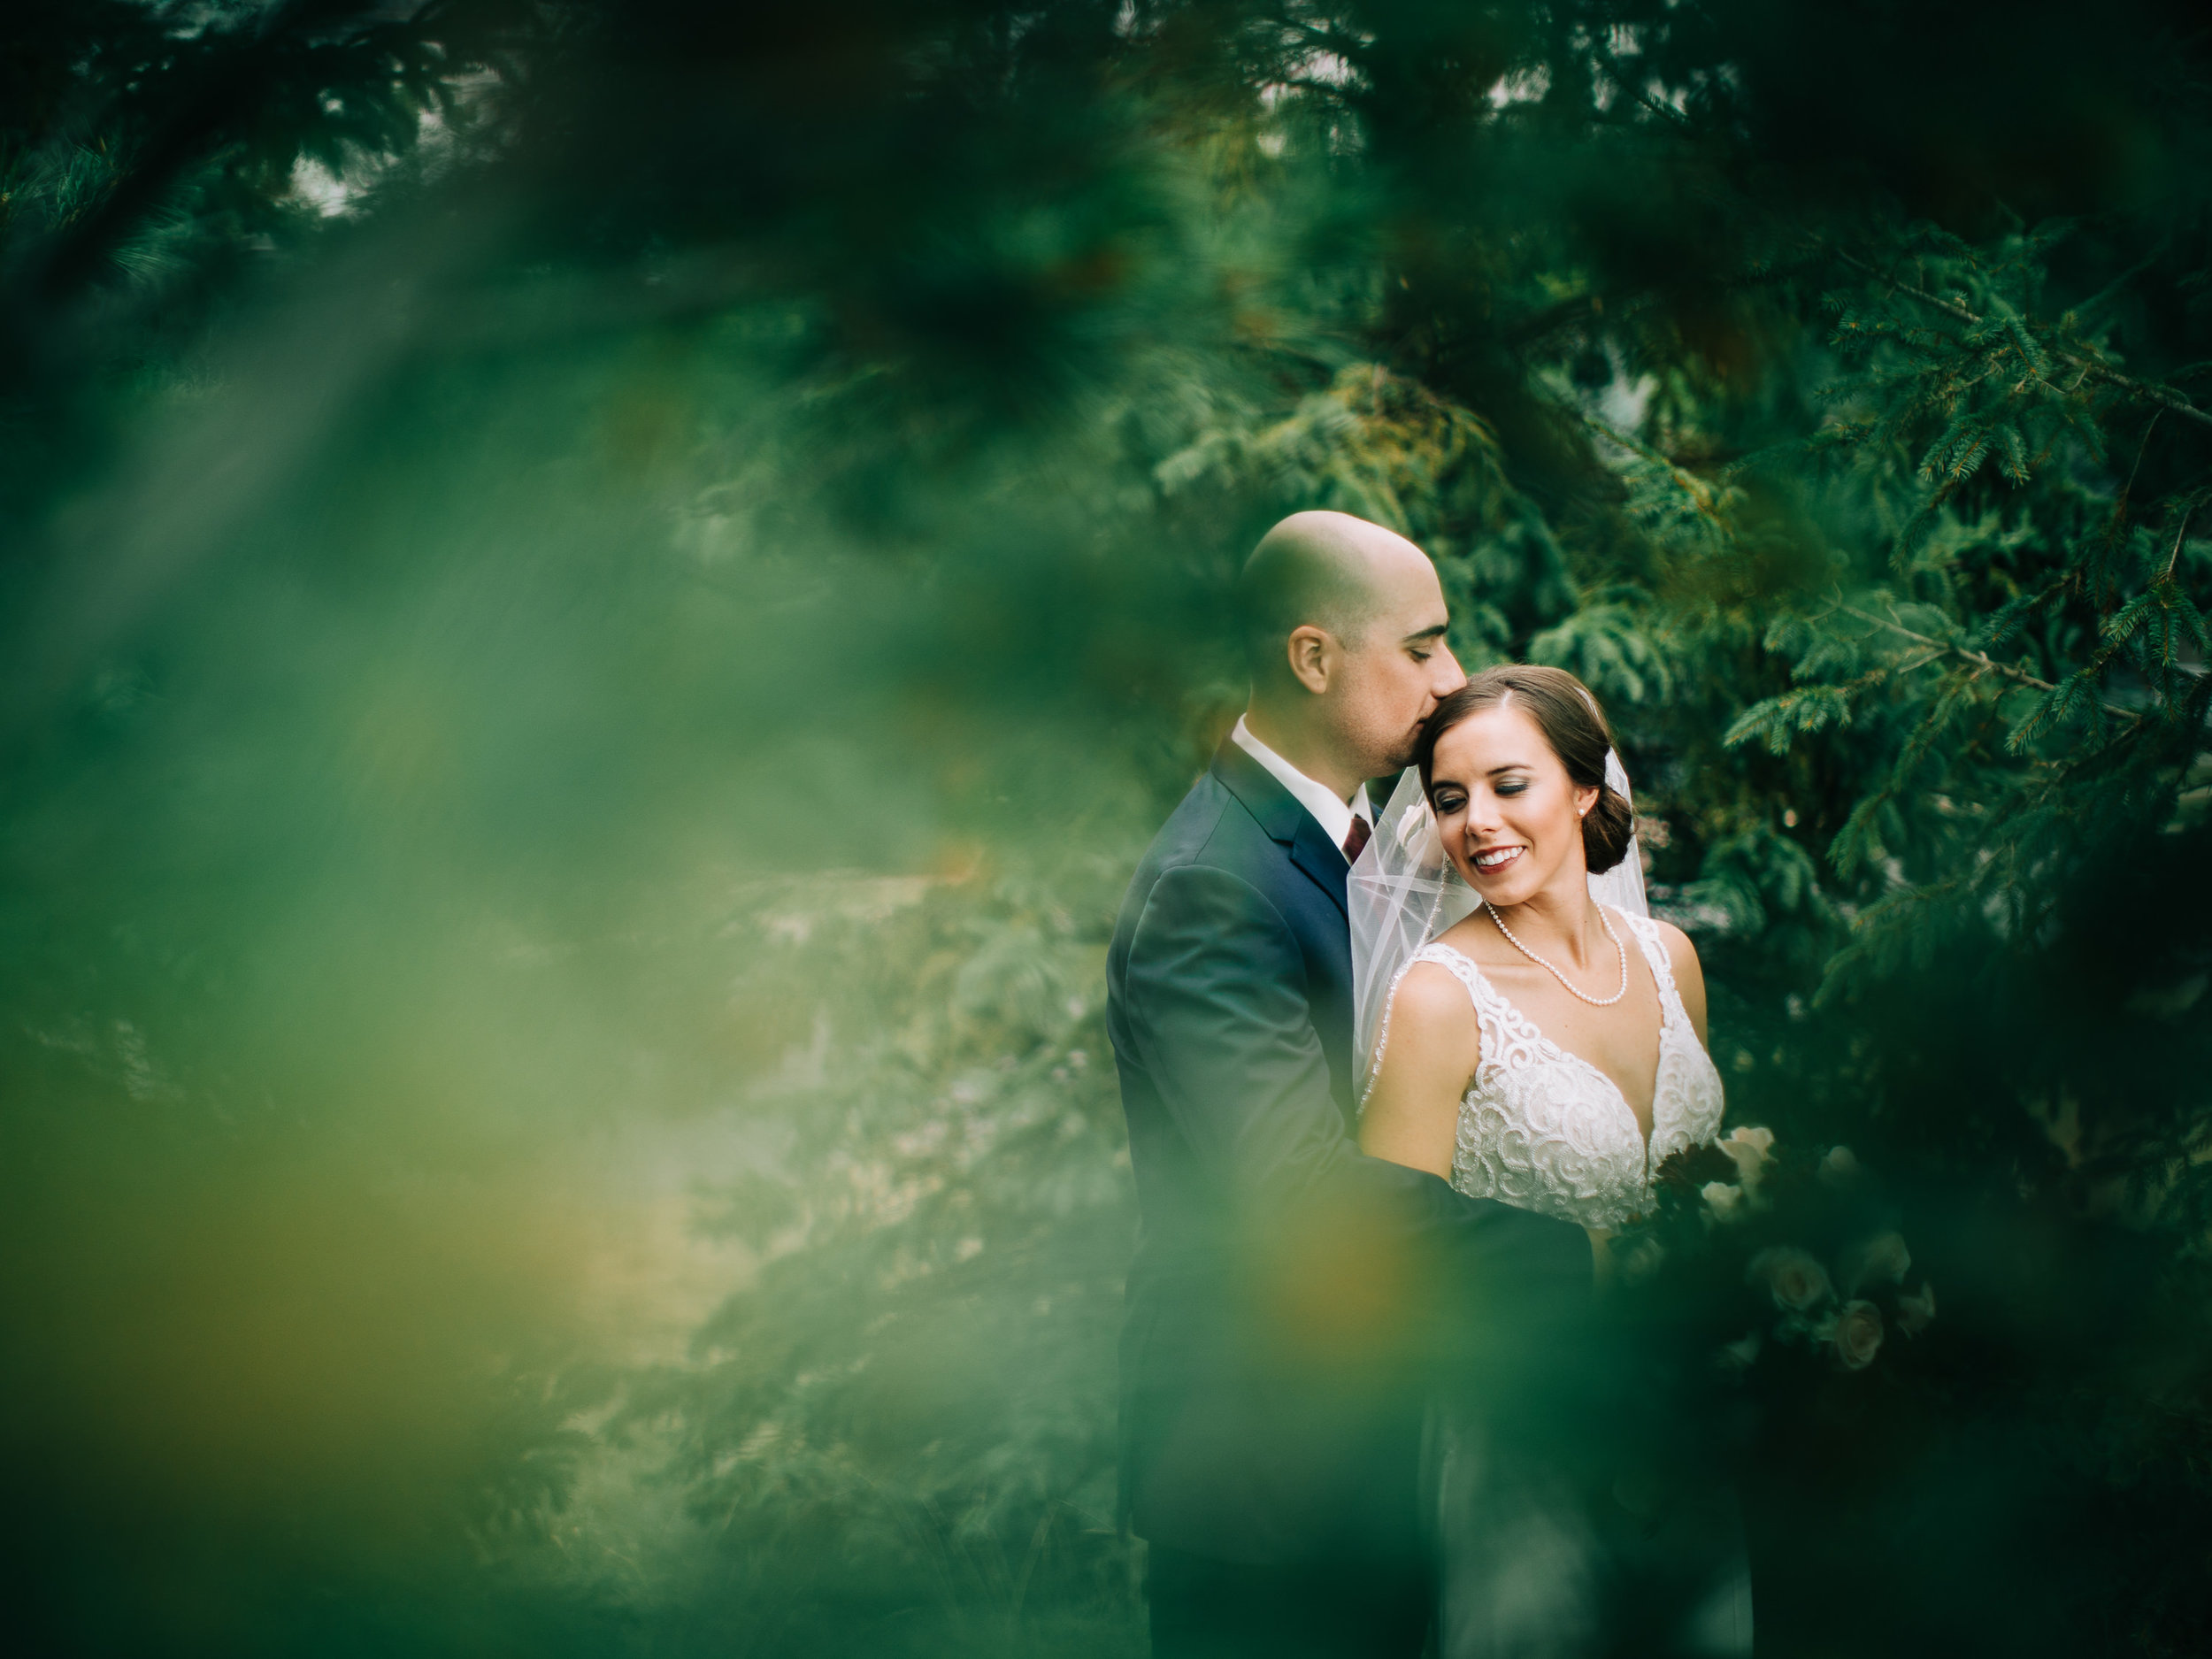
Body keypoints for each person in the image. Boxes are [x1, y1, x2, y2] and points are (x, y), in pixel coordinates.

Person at [1106, 513, 1594, 1659]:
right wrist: (1578, 1232)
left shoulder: (1403, 844)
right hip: (1269, 1487)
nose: (1455, 677)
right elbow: (1301, 1193)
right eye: (1422, 647)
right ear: (1314, 657)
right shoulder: (1209, 886)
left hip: (1402, 1451)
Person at [1356, 664, 1750, 1658]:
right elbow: (1388, 1255)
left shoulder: (1671, 959)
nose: (1476, 820)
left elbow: (1703, 1192)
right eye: (1451, 799)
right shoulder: (1438, 999)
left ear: (1583, 787)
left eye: (1508, 784)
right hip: (1522, 1454)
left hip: (1692, 1430)